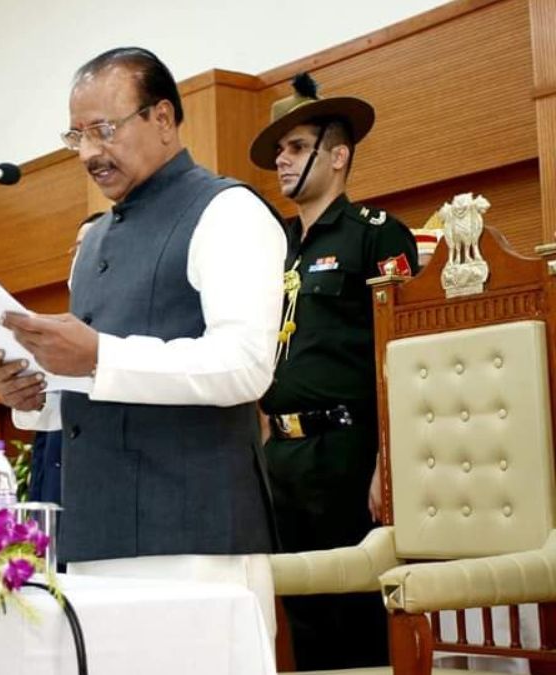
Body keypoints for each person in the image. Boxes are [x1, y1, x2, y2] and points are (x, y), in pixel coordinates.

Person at [0, 47, 286, 632]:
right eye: (77, 136)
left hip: (194, 536)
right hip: (97, 530)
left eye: (104, 130)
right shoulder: (94, 238)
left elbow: (247, 366)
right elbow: (98, 383)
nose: (90, 153)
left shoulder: (227, 211)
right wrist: (36, 393)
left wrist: (97, 354)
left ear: (164, 119)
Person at [248, 72, 419, 669]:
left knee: (360, 610)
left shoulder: (375, 235)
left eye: (296, 147)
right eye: (279, 152)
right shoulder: (273, 247)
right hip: (282, 456)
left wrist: (388, 462)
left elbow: (403, 354)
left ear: (338, 154)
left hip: (350, 449)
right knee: (302, 610)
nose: (283, 161)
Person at [27, 211, 104, 505]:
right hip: (55, 495)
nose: (80, 258)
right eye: (77, 248)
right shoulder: (60, 331)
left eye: (92, 246)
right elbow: (45, 440)